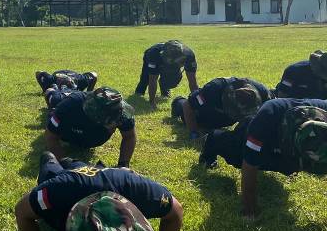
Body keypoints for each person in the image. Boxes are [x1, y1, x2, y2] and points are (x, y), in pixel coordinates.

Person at [14, 153, 185, 231]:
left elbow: (175, 210)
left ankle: (73, 162)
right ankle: (55, 159)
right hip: (69, 180)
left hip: (99, 175)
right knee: (50, 167)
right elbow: (22, 211)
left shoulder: (136, 189)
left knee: (84, 168)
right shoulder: (59, 189)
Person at [199, 98, 327, 218]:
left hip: (284, 143)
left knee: (287, 166)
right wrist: (250, 209)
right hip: (254, 128)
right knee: (239, 157)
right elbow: (249, 165)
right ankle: (214, 138)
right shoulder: (267, 118)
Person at [45, 86, 137, 166]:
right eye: (111, 121)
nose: (117, 123)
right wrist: (65, 164)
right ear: (97, 117)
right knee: (53, 97)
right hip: (66, 104)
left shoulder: (119, 111)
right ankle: (55, 89)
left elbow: (129, 136)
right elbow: (51, 136)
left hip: (87, 131)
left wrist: (123, 164)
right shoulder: (69, 107)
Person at [171, 77, 272, 139]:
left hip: (226, 119)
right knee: (186, 110)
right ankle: (177, 101)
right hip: (205, 114)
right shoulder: (213, 89)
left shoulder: (263, 92)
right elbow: (188, 106)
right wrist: (194, 133)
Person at [135, 40, 198, 108]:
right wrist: (152, 102)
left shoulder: (189, 56)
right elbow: (152, 79)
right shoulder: (154, 54)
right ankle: (139, 92)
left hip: (174, 63)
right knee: (146, 77)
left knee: (171, 80)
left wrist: (196, 102)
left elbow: (193, 82)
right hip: (152, 54)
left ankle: (165, 90)